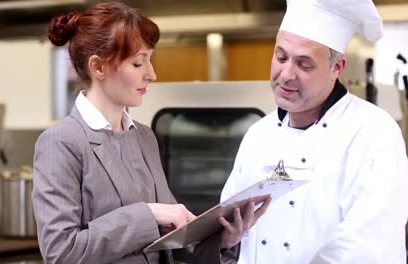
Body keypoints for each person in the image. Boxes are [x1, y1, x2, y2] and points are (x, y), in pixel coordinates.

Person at [32, 2, 269, 263]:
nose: (152, 74)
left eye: (150, 60)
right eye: (137, 63)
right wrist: (148, 214)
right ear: (98, 67)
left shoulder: (144, 137)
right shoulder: (61, 143)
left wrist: (224, 239)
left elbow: (170, 238)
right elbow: (61, 252)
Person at [220, 0, 408, 263]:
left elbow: (365, 247)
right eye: (281, 57)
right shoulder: (258, 134)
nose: (286, 74)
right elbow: (230, 230)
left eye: (304, 64)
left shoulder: (373, 133)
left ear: (337, 68)